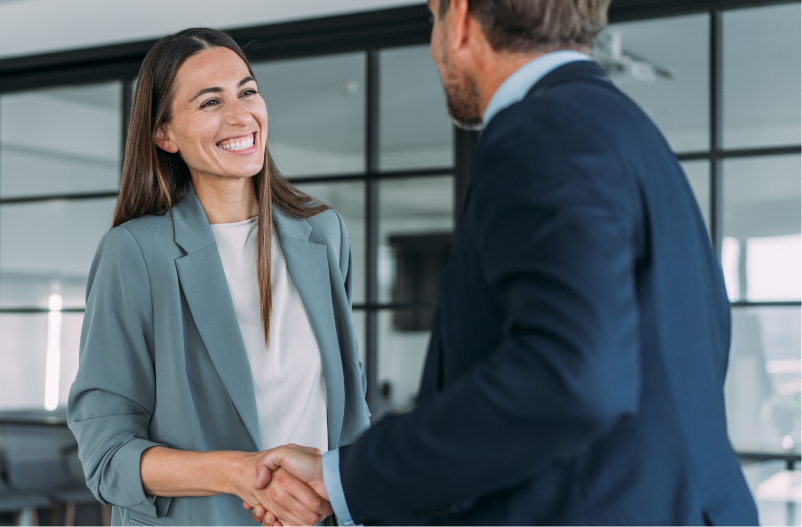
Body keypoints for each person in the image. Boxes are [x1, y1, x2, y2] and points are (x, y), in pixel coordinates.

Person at [250, 0, 759, 526]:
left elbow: (571, 379)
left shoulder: (541, 132)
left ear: (462, 20)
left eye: (434, 18)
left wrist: (347, 478)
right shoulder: (633, 134)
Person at [66, 27, 370, 527]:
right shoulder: (137, 253)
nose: (239, 116)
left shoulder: (324, 234)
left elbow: (350, 410)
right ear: (164, 134)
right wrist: (241, 473)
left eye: (247, 91)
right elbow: (107, 455)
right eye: (210, 102)